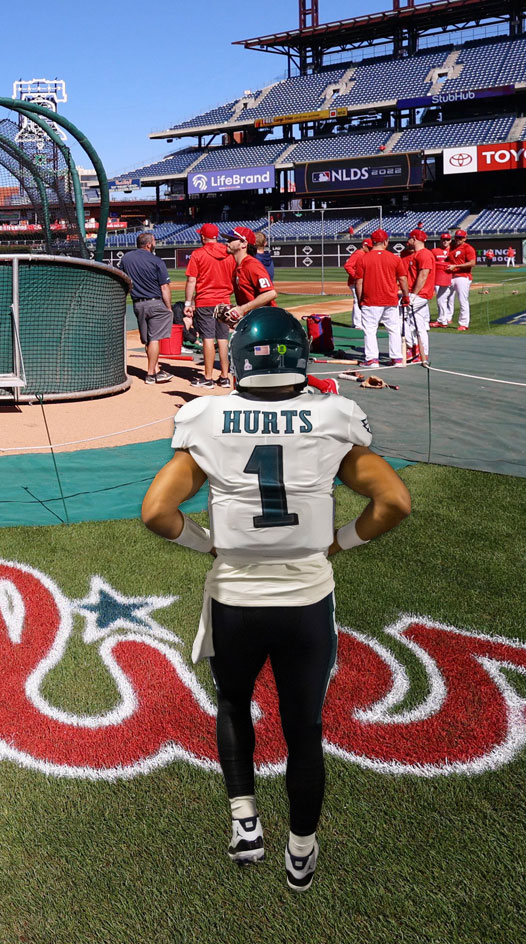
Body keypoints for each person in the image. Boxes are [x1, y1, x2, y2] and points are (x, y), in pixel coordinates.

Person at [141, 307, 411, 893]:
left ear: (239, 360)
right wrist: (337, 544)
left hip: (235, 597)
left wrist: (206, 545)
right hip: (307, 601)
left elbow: (157, 512)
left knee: (234, 706)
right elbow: (393, 502)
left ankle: (245, 823)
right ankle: (300, 851)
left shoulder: (205, 416)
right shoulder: (333, 415)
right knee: (304, 730)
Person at [182, 223, 237, 389]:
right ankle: (225, 376)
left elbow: (192, 280)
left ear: (202, 237)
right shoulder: (229, 253)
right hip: (224, 301)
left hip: (206, 301)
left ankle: (207, 377)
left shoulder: (198, 253)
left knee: (207, 338)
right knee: (222, 339)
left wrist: (187, 303)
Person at [120, 232, 175, 384]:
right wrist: (168, 307)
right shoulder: (157, 261)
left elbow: (122, 279)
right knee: (155, 339)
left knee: (148, 340)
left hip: (138, 304)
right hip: (155, 303)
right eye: (154, 241)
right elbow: (164, 287)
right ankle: (151, 374)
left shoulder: (126, 258)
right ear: (149, 244)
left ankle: (156, 369)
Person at [353, 230, 407, 367]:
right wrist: (406, 295)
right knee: (393, 329)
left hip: (370, 300)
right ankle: (397, 359)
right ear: (385, 242)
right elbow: (402, 279)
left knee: (370, 330)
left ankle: (372, 359)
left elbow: (359, 282)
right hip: (390, 299)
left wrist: (360, 299)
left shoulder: (363, 258)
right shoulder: (395, 258)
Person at [224, 225, 279, 326]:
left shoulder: (251, 265)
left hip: (267, 321)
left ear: (244, 244)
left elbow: (271, 293)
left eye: (232, 239)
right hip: (255, 321)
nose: (227, 242)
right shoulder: (238, 267)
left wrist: (241, 309)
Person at [401, 230, 437, 363]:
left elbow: (423, 276)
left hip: (420, 294)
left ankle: (413, 347)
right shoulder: (417, 254)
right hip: (417, 294)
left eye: (410, 238)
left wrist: (413, 295)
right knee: (419, 325)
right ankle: (422, 353)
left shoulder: (424, 254)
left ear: (414, 239)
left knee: (400, 318)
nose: (408, 240)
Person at [448, 229, 477, 331]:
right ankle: (446, 318)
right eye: (457, 237)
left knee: (462, 300)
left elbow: (472, 263)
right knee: (447, 298)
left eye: (461, 238)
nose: (458, 239)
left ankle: (464, 323)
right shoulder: (451, 247)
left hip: (463, 276)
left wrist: (456, 266)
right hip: (451, 275)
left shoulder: (468, 248)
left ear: (465, 238)